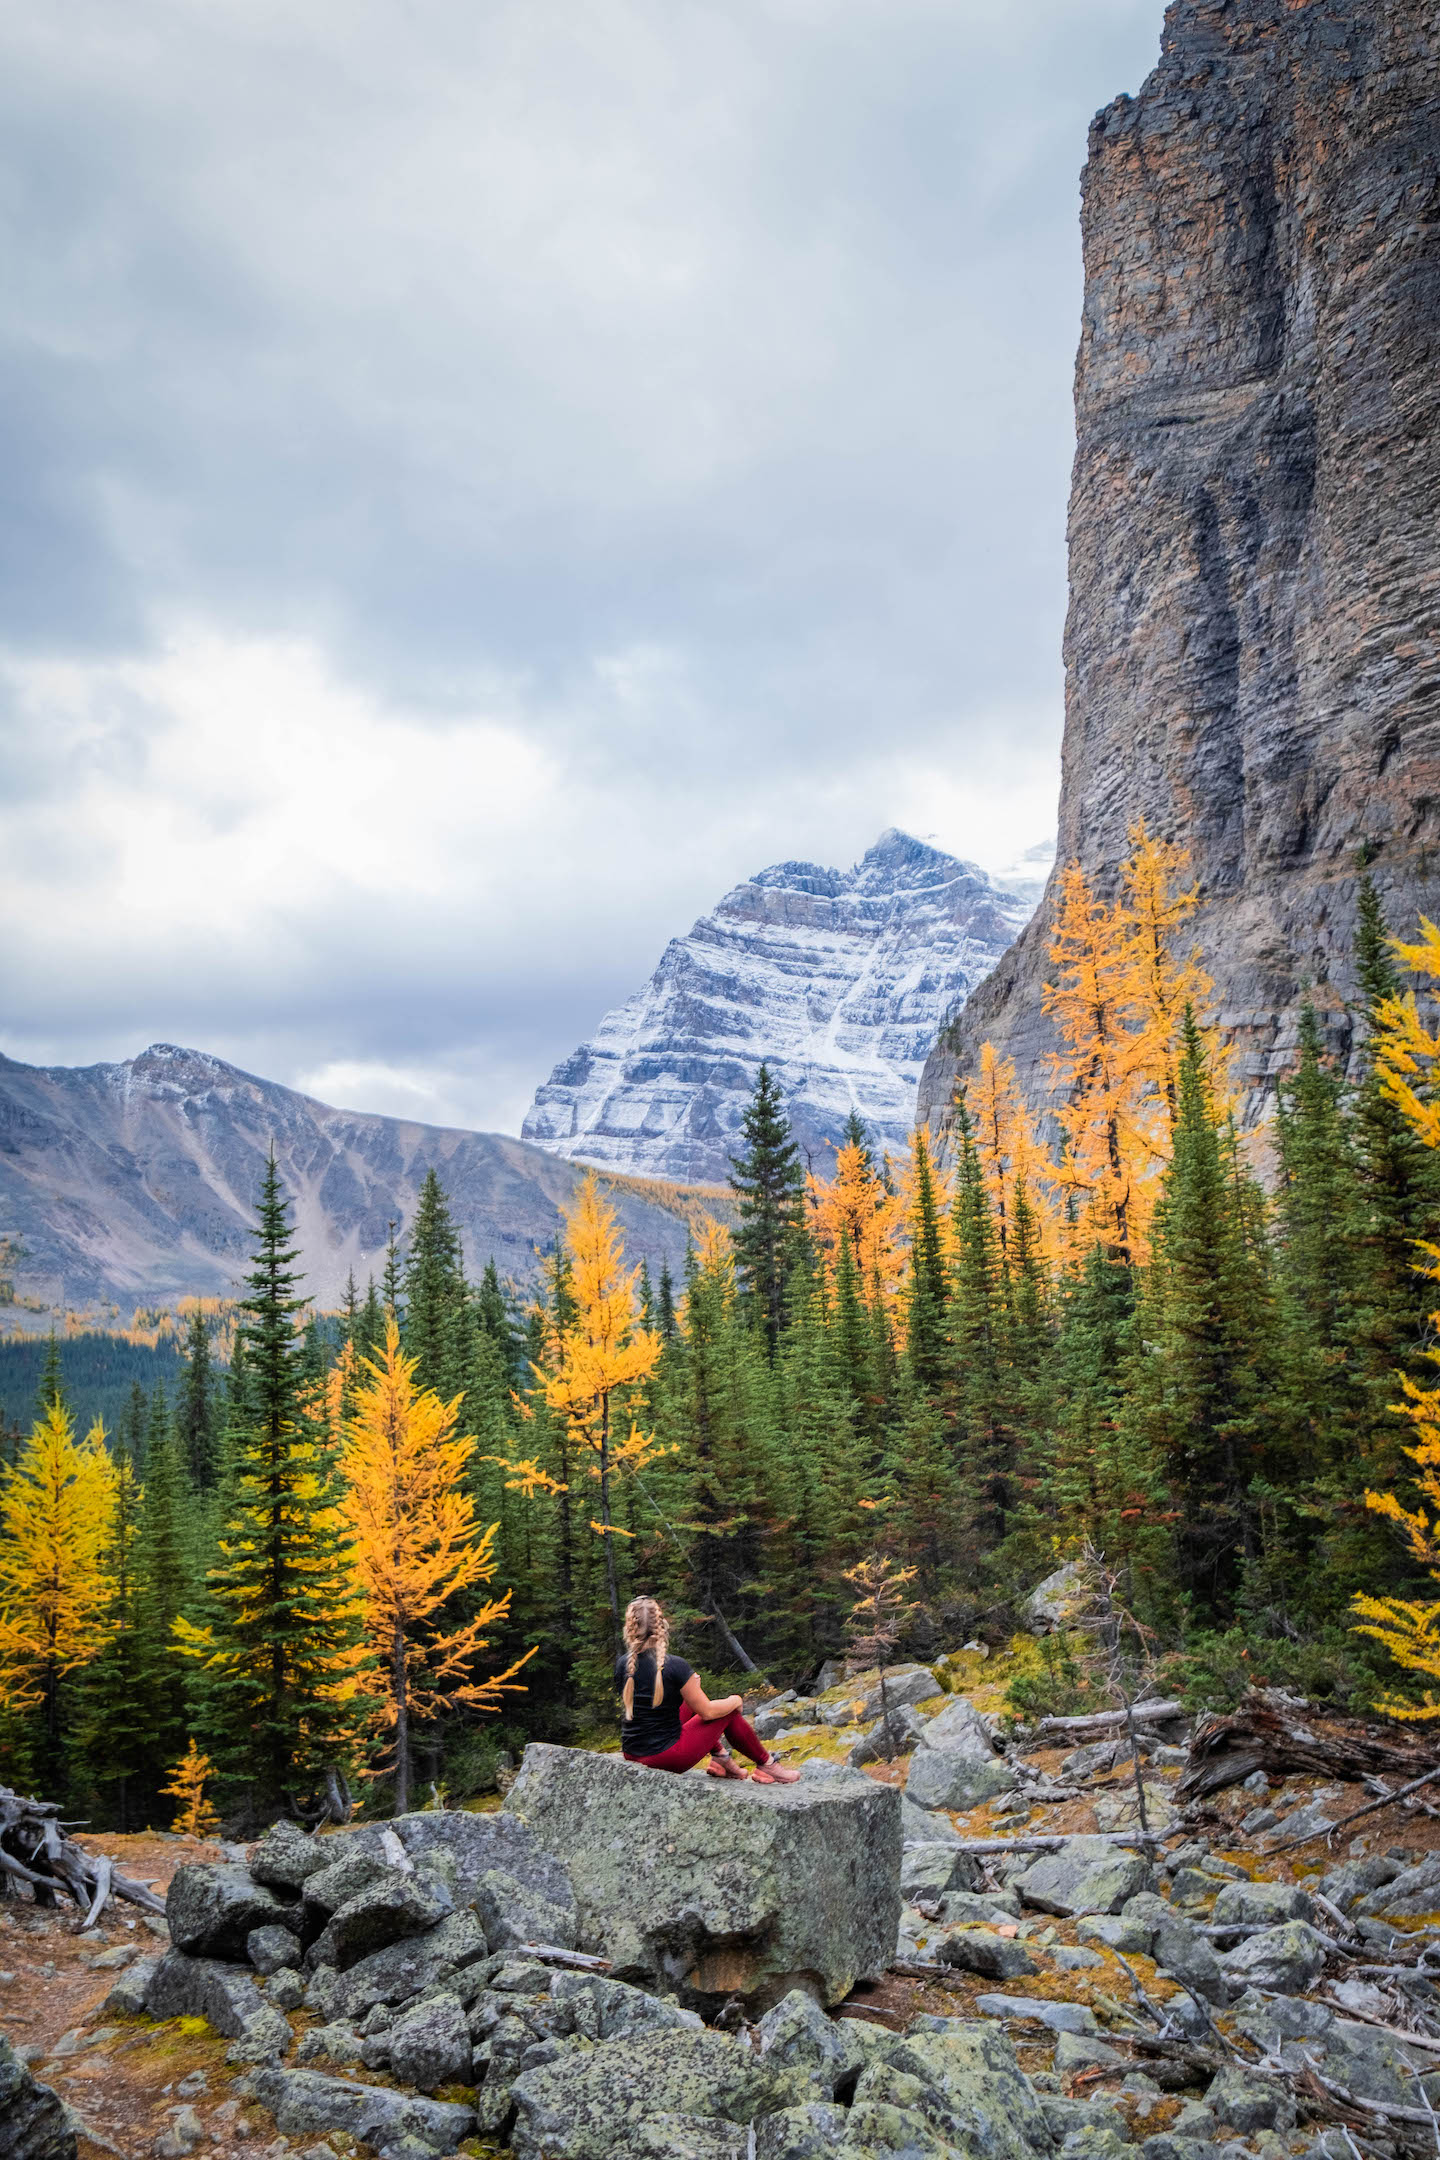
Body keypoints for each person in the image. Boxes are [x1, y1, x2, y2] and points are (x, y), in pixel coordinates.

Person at [615, 1594, 801, 1782]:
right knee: (726, 1712)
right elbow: (708, 1713)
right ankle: (767, 1764)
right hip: (665, 1757)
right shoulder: (675, 1665)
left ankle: (721, 1758)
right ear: (661, 1625)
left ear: (630, 1627)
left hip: (632, 1753)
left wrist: (690, 1688)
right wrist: (735, 1700)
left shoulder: (623, 1664)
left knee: (692, 1703)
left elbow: (647, 1707)